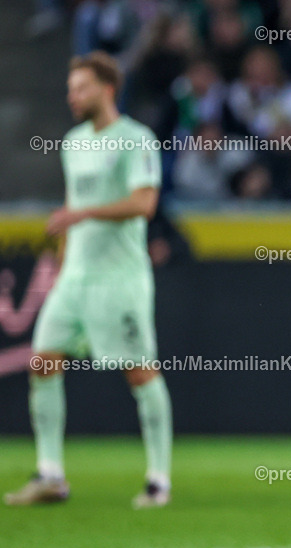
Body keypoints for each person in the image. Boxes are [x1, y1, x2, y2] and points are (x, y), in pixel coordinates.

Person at [4, 51, 173, 509]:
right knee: (42, 362)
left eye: (80, 87)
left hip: (119, 278)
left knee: (140, 372)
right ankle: (51, 475)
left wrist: (82, 214)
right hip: (74, 277)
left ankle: (158, 479)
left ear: (107, 88)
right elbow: (69, 210)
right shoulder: (73, 142)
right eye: (70, 88)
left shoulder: (136, 139)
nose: (71, 96)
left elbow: (144, 204)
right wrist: (61, 266)